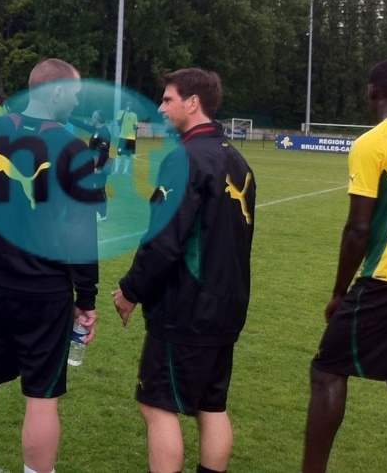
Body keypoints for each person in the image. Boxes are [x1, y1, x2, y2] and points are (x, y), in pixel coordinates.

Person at [0, 59, 101, 473]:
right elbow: (81, 235)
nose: (75, 103)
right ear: (55, 93)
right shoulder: (73, 149)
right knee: (41, 397)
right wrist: (86, 298)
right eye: (73, 94)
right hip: (44, 291)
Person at [112, 68, 254, 473]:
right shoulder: (237, 158)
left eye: (168, 98)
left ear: (193, 103)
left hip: (186, 308)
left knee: (157, 406)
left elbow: (164, 240)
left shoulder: (185, 158)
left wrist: (130, 290)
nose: (160, 107)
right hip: (228, 305)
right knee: (211, 405)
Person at [302, 59, 387, 473]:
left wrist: (338, 292)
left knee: (328, 371)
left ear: (373, 92)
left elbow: (357, 230)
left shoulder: (373, 142)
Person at [68, 109, 112, 221]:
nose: (91, 118)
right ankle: (93, 210)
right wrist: (69, 118)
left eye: (93, 116)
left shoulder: (104, 132)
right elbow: (82, 125)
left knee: (99, 189)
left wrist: (98, 167)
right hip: (92, 163)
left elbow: (104, 152)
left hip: (99, 166)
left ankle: (103, 214)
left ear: (97, 119)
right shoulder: (96, 129)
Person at [113, 101, 139, 175]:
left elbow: (135, 126)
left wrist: (137, 127)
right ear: (125, 105)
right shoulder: (121, 112)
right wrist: (124, 113)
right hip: (123, 137)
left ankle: (125, 171)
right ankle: (116, 170)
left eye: (130, 105)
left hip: (131, 138)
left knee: (128, 154)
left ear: (132, 106)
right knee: (119, 153)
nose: (129, 106)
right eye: (128, 105)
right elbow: (118, 123)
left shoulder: (134, 115)